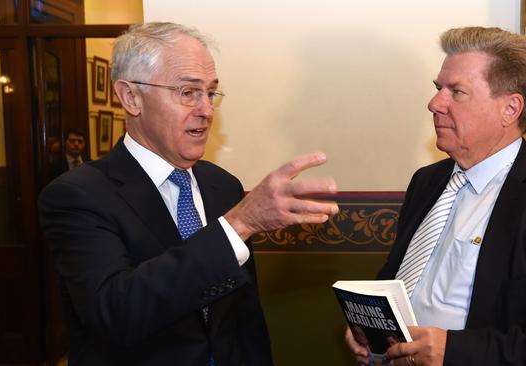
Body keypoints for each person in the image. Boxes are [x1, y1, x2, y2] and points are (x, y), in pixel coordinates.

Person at [38, 22, 339, 366]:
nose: (207, 110)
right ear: (131, 97)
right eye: (187, 92)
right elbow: (116, 313)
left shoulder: (223, 185)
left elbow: (244, 316)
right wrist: (239, 224)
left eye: (210, 93)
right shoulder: (77, 195)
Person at [345, 26, 526, 366]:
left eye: (457, 92)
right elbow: (400, 280)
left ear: (510, 109)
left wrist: (456, 352)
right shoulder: (427, 182)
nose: (434, 103)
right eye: (439, 89)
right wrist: (370, 328)